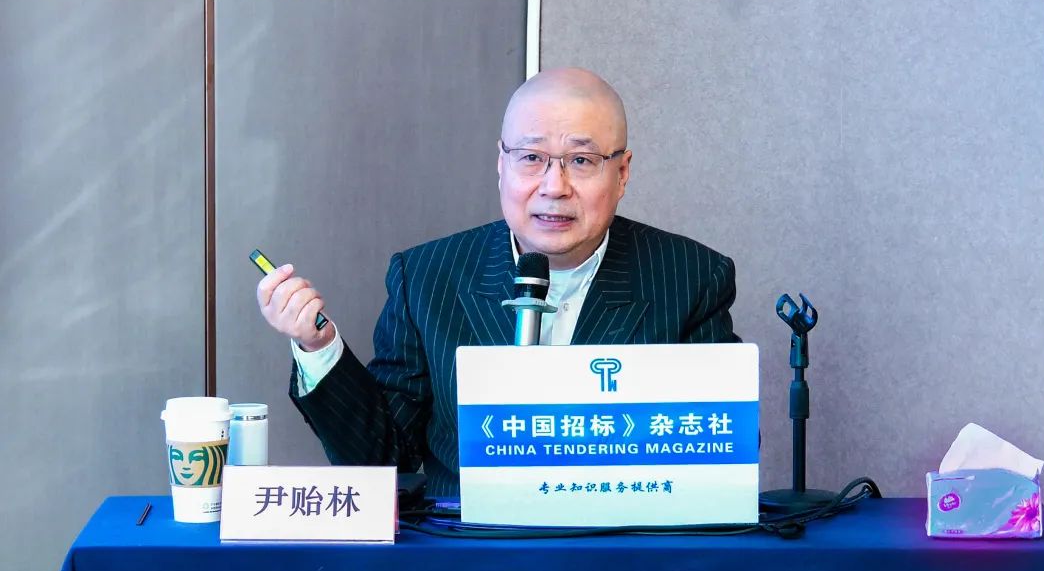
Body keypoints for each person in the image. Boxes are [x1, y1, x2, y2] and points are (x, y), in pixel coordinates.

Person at [257, 68, 739, 497]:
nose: (554, 186)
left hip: (618, 555)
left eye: (582, 160)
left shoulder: (691, 278)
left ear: (623, 172)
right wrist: (318, 346)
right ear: (501, 163)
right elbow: (385, 460)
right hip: (470, 554)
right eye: (532, 157)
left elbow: (720, 453)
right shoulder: (426, 277)